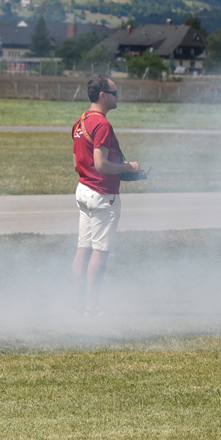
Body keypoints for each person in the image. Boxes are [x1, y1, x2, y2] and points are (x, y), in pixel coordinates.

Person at [71, 74, 141, 316]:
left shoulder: (80, 122)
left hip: (84, 190)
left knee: (83, 249)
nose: (117, 96)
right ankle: (93, 307)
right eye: (114, 92)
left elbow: (77, 163)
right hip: (102, 194)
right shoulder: (102, 125)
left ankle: (78, 305)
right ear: (103, 95)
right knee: (100, 253)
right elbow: (101, 164)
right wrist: (127, 167)